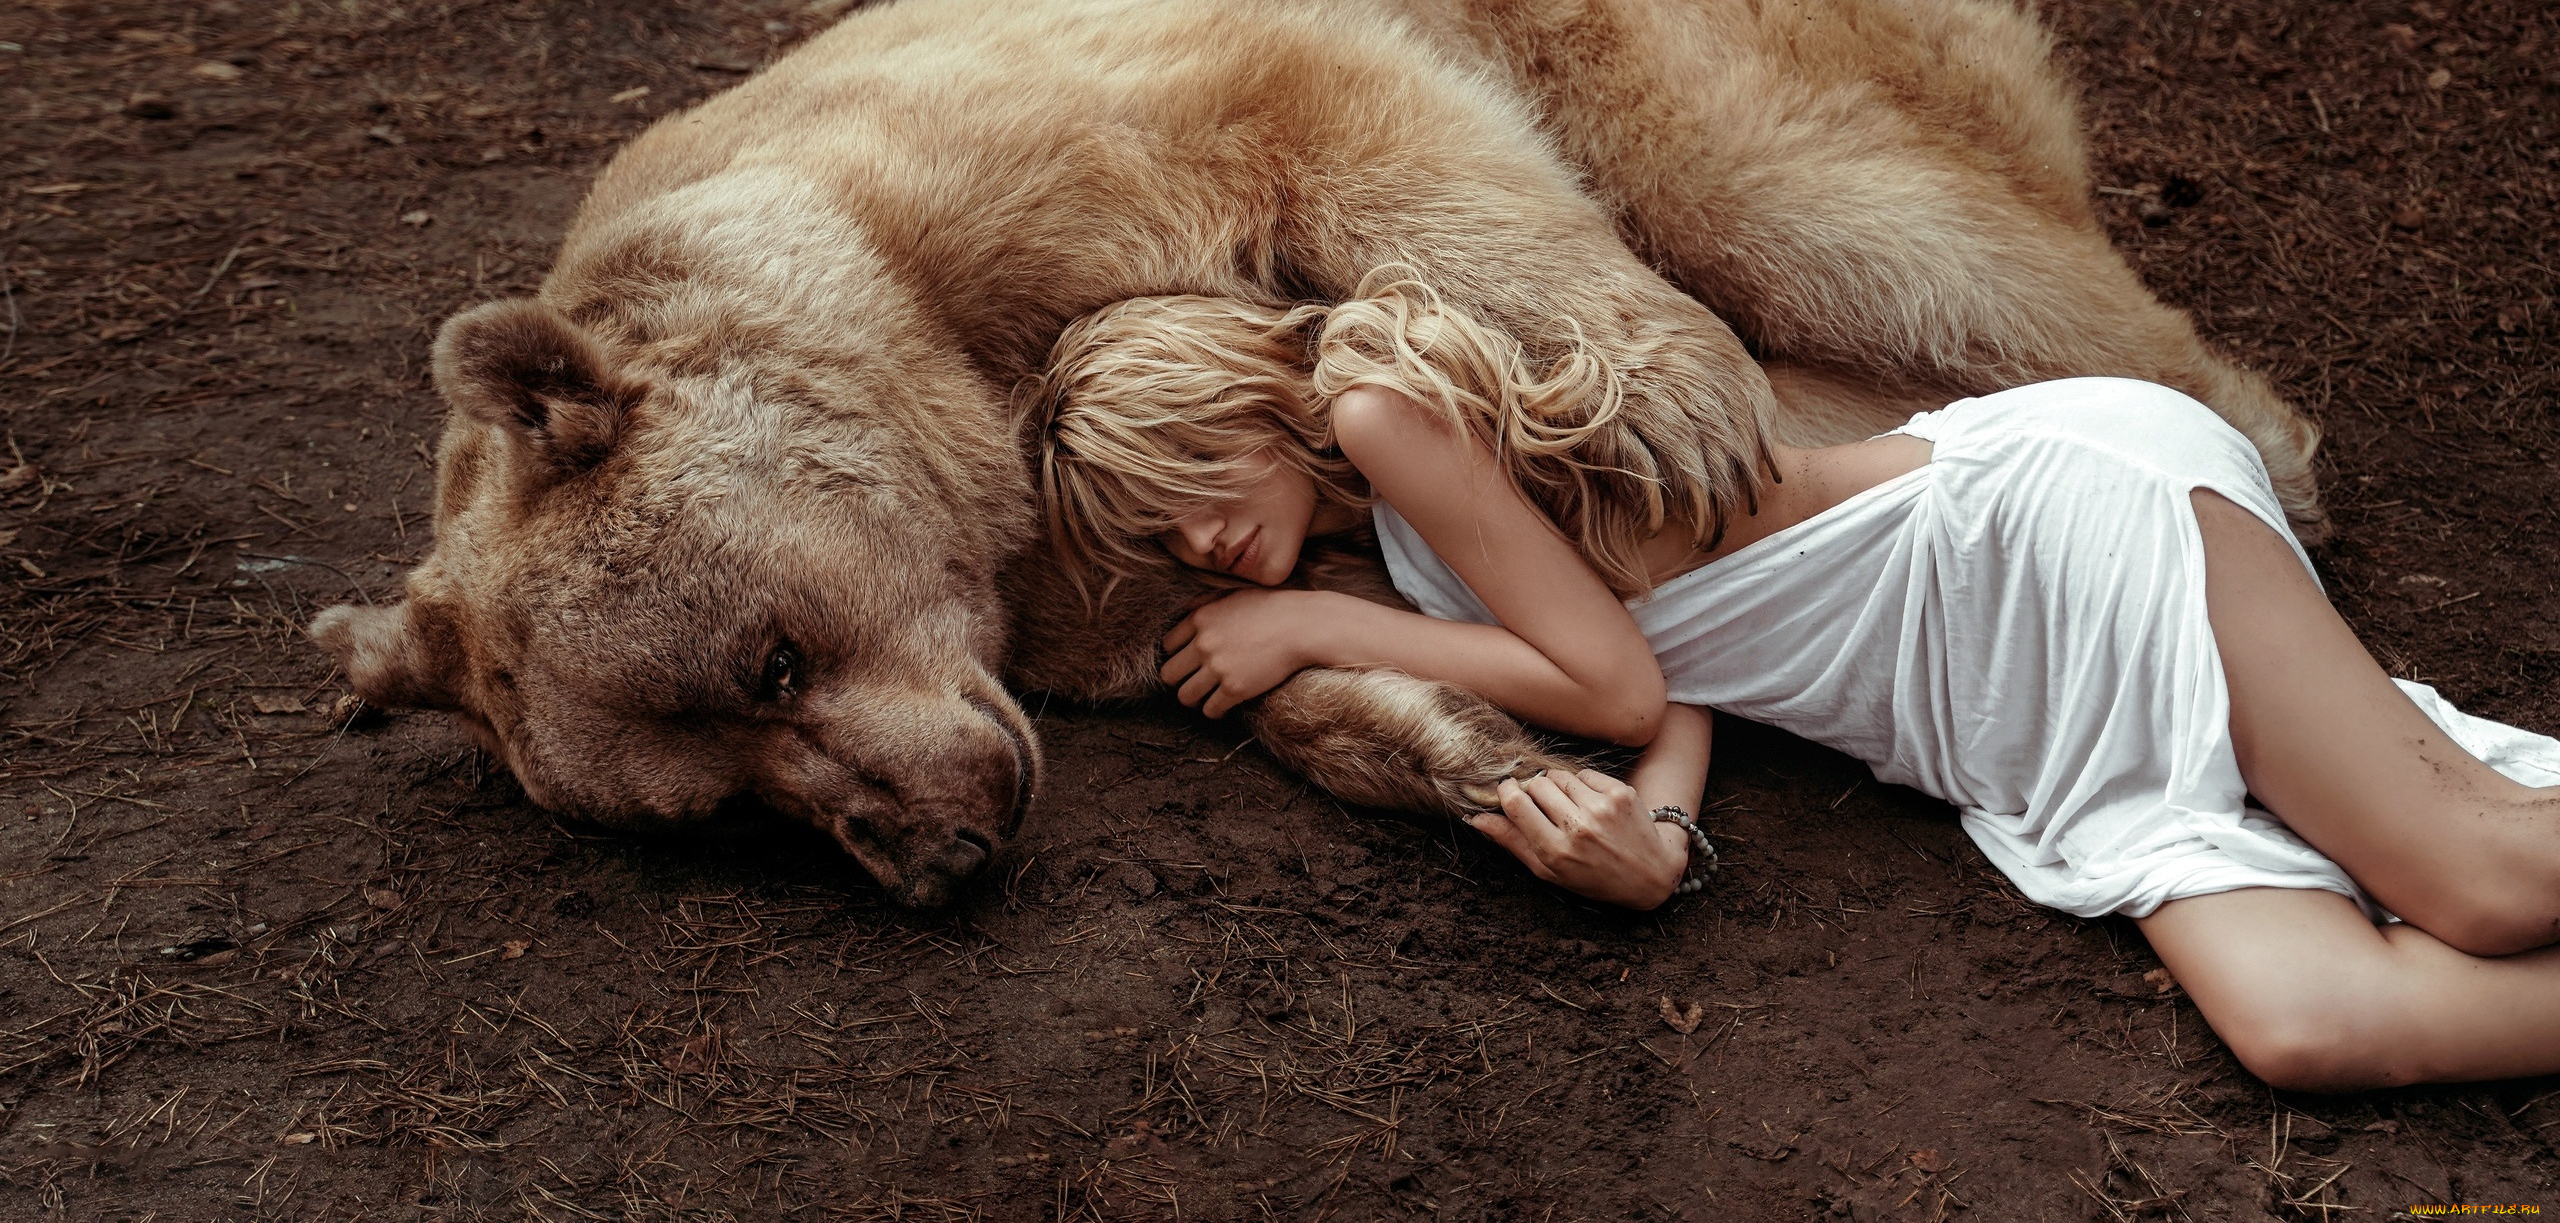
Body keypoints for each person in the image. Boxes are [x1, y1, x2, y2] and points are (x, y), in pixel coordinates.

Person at [1019, 272, 2560, 1092]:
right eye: (1159, 538)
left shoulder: (1378, 412)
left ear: (1228, 401)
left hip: (2038, 543)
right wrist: (1660, 838)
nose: (1199, 546)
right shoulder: (1387, 526)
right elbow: (1678, 677)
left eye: (1184, 485)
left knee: (2481, 885)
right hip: (2004, 695)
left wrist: (1310, 634)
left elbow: (1612, 685)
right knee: (2311, 1023)